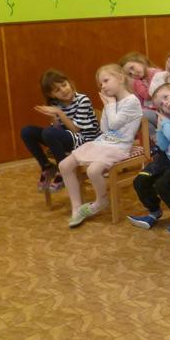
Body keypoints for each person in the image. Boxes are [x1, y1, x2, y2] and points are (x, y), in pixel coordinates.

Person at [60, 64, 142, 228]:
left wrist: (109, 105)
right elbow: (104, 129)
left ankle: (101, 201)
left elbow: (114, 123)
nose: (102, 86)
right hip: (102, 142)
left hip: (119, 146)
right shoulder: (112, 101)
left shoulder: (132, 101)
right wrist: (108, 106)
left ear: (120, 78)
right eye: (100, 83)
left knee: (93, 170)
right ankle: (76, 207)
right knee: (64, 165)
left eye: (106, 81)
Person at [128, 83, 170, 232]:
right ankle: (154, 211)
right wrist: (160, 127)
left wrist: (164, 122)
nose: (164, 103)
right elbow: (164, 146)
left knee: (163, 184)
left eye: (166, 97)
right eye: (160, 104)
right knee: (141, 180)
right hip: (168, 159)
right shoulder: (169, 121)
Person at [21, 69, 100, 193]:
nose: (63, 90)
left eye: (64, 85)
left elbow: (75, 129)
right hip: (70, 138)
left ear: (69, 83)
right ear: (51, 95)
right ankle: (47, 166)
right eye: (57, 90)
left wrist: (59, 112)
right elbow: (58, 129)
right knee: (27, 131)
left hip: (86, 141)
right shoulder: (56, 103)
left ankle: (63, 170)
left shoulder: (82, 100)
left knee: (48, 132)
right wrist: (54, 117)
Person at [119, 52, 161, 127]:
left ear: (140, 61)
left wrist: (136, 82)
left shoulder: (156, 74)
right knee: (142, 123)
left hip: (162, 114)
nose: (133, 73)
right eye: (130, 74)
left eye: (132, 67)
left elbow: (148, 95)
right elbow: (140, 102)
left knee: (137, 114)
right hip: (151, 112)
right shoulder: (141, 79)